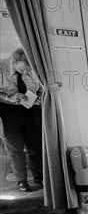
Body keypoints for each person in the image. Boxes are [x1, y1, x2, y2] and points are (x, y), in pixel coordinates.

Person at [0, 48, 44, 192]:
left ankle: (39, 176)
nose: (27, 72)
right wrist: (8, 97)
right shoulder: (1, 67)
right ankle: (22, 181)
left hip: (31, 108)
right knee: (15, 148)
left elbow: (40, 89)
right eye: (25, 68)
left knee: (35, 146)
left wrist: (39, 96)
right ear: (15, 62)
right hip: (8, 111)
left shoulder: (33, 69)